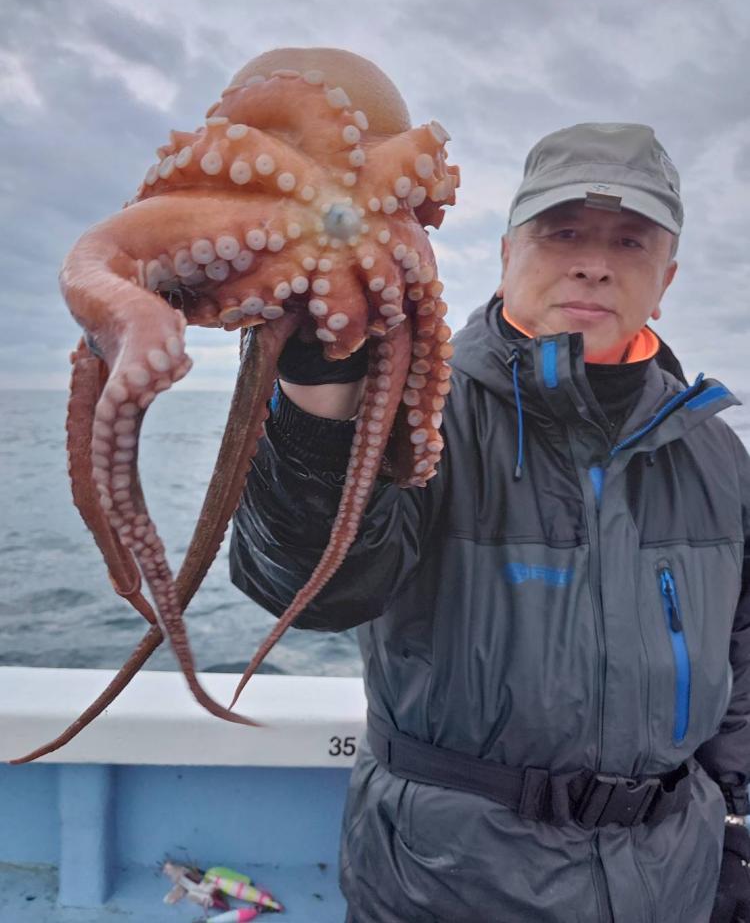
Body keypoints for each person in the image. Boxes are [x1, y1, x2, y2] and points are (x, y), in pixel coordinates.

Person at [230, 122, 750, 923]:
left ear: (666, 277)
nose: (593, 262)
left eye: (630, 242)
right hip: (445, 885)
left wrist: (735, 822)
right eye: (562, 232)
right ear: (508, 253)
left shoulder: (715, 451)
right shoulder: (422, 414)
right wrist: (315, 395)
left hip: (670, 881)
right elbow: (313, 587)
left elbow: (741, 652)